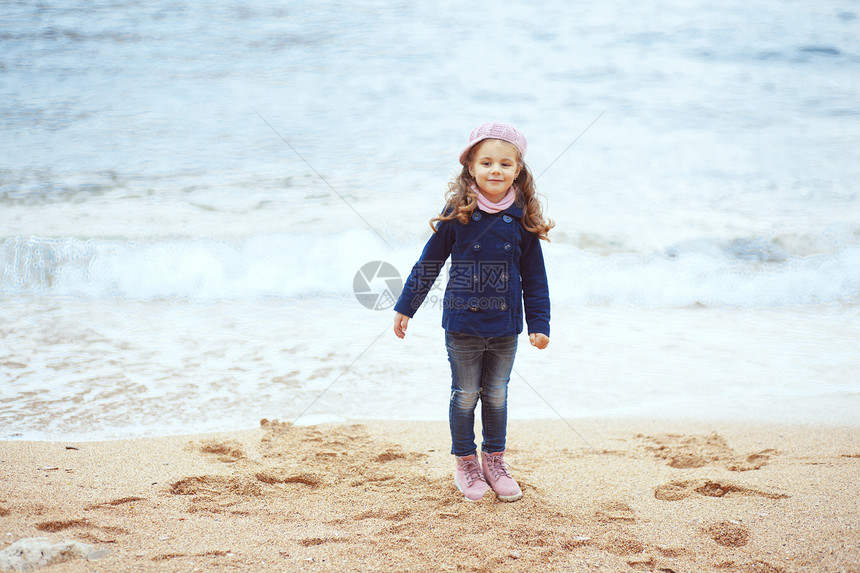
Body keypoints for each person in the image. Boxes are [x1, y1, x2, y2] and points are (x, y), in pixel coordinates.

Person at [392, 121, 553, 502]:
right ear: (471, 167)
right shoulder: (459, 212)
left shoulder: (521, 217)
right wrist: (406, 306)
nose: (495, 170)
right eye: (486, 163)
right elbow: (428, 263)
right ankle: (465, 463)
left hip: (505, 324)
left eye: (504, 164)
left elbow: (535, 276)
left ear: (518, 170)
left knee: (496, 394)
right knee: (465, 393)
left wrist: (539, 322)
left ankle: (494, 462)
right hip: (463, 322)